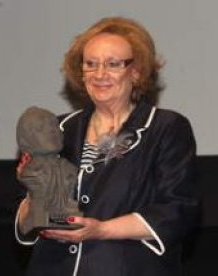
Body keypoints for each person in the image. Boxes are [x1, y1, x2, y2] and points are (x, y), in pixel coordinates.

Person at [15, 16, 199, 276]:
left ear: (135, 71)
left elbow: (176, 211)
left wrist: (101, 230)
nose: (99, 74)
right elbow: (27, 223)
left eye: (113, 64)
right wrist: (33, 196)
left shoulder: (165, 128)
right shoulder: (55, 129)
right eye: (91, 64)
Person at [16, 106, 82, 236]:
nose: (51, 131)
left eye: (53, 125)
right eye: (41, 128)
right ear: (25, 139)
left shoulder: (67, 167)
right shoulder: (32, 171)